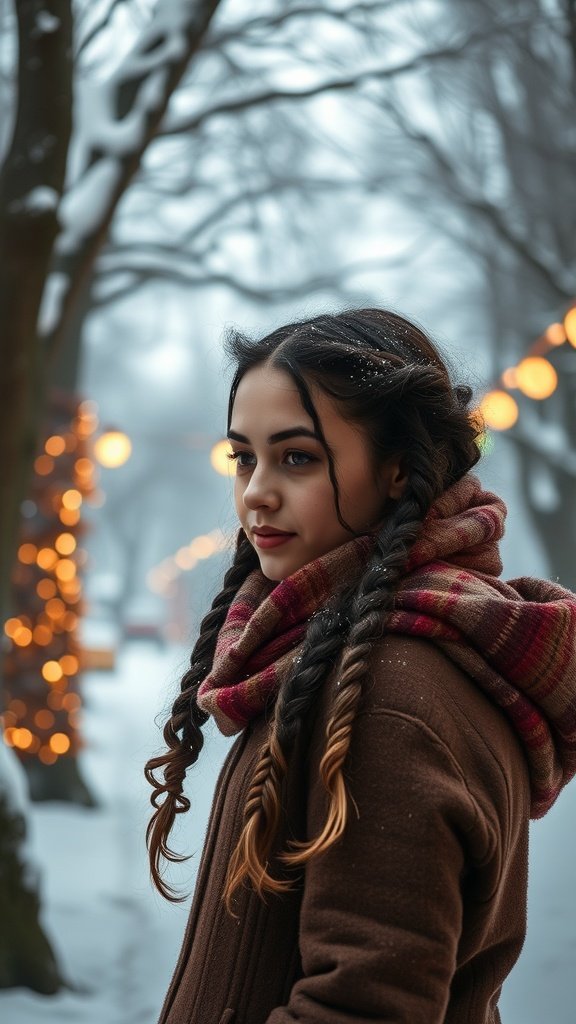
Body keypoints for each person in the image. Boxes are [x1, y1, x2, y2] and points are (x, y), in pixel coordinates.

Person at [145, 308, 576, 1024]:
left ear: (398, 468)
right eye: (243, 457)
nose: (255, 491)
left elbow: (364, 1006)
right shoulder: (339, 650)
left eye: (297, 457)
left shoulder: (387, 689)